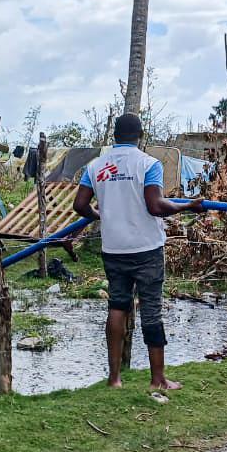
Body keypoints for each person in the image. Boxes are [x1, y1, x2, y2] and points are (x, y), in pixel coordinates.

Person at [73, 114, 205, 390]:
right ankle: (158, 379)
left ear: (114, 136)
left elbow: (80, 204)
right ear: (140, 135)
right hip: (146, 248)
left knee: (117, 307)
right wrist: (187, 206)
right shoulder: (148, 164)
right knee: (152, 311)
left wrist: (101, 214)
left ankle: (114, 378)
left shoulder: (96, 166)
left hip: (114, 248)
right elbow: (155, 205)